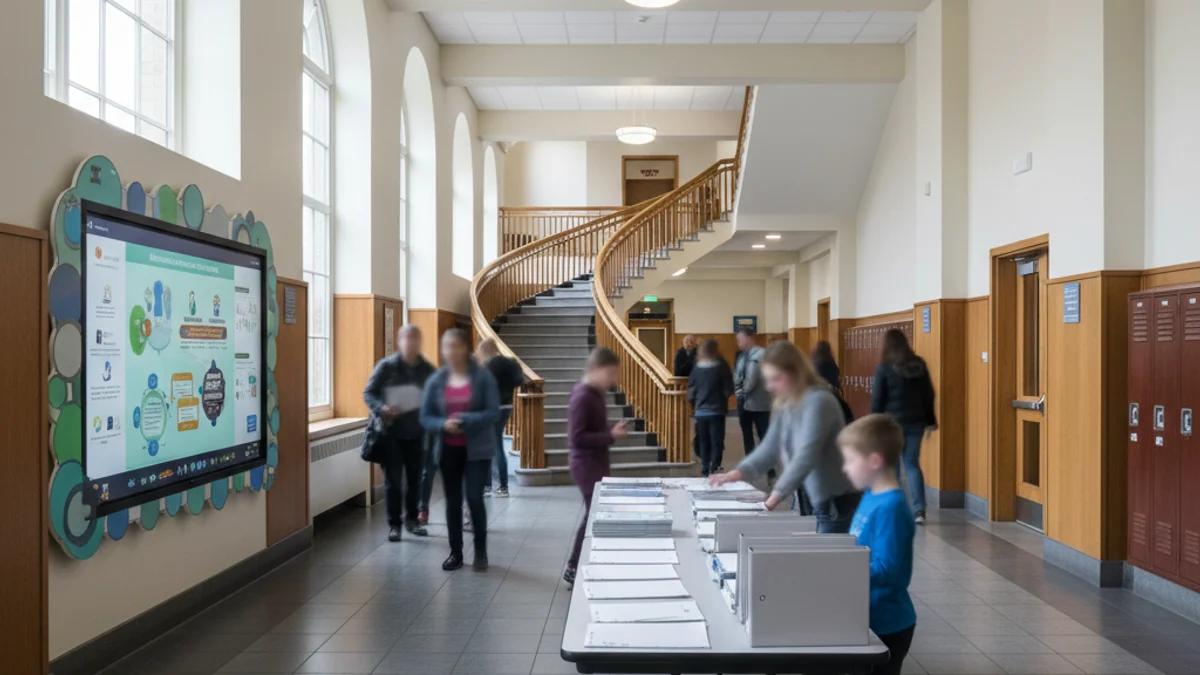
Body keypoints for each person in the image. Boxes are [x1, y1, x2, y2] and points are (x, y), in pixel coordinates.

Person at [712, 341, 861, 534]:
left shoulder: (820, 401)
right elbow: (770, 447)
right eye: (767, 380)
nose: (769, 387)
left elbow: (807, 455)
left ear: (795, 373)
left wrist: (773, 498)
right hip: (810, 496)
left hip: (835, 501)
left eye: (776, 379)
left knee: (827, 552)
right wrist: (736, 474)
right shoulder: (786, 403)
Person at [839, 414, 917, 675]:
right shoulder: (871, 495)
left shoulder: (891, 507)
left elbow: (886, 569)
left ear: (874, 461)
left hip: (887, 623)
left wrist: (840, 571)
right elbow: (858, 546)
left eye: (850, 460)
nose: (845, 468)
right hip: (865, 615)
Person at [420, 329, 501, 571]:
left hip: (477, 449)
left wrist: (465, 420)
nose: (451, 351)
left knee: (474, 498)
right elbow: (426, 416)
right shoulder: (437, 380)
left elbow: (493, 412)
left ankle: (480, 551)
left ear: (465, 348)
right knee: (453, 501)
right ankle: (455, 552)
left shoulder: (483, 378)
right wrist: (442, 424)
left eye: (456, 346)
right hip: (448, 449)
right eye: (446, 346)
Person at [563, 347, 629, 586]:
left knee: (595, 514)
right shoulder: (583, 395)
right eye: (610, 373)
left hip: (596, 462)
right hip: (586, 465)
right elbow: (577, 438)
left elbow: (593, 430)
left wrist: (610, 432)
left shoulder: (595, 393)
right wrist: (610, 435)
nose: (613, 379)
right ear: (595, 369)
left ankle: (586, 562)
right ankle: (574, 565)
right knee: (593, 515)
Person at [362, 324, 434, 542]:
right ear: (399, 341)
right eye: (406, 338)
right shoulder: (386, 366)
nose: (410, 343)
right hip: (390, 433)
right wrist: (381, 408)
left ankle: (412, 520)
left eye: (414, 338)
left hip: (417, 433)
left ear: (420, 342)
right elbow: (369, 393)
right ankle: (394, 525)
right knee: (393, 482)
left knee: (415, 480)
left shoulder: (428, 370)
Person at [870, 329, 937, 525]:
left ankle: (896, 509)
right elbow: (928, 394)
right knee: (912, 464)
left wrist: (875, 423)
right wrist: (930, 419)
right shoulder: (919, 365)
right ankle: (919, 510)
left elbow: (878, 398)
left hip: (892, 424)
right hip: (916, 422)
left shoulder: (884, 368)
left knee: (893, 468)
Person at [476, 338, 525, 498]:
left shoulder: (487, 365)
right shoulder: (509, 362)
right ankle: (496, 486)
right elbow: (520, 380)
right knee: (495, 443)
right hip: (507, 406)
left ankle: (495, 486)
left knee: (491, 446)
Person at [687, 339, 734, 477]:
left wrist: (694, 403)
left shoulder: (697, 368)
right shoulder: (722, 366)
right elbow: (729, 387)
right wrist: (723, 396)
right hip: (717, 410)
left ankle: (705, 466)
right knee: (716, 440)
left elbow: (691, 389)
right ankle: (715, 466)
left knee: (703, 440)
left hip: (700, 410)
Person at [733, 328, 771, 461]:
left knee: (763, 434)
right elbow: (737, 374)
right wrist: (737, 388)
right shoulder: (742, 356)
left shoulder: (761, 354)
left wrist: (743, 390)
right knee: (747, 434)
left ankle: (768, 465)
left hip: (760, 402)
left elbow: (752, 378)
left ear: (749, 338)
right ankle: (750, 462)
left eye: (740, 339)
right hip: (744, 402)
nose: (738, 342)